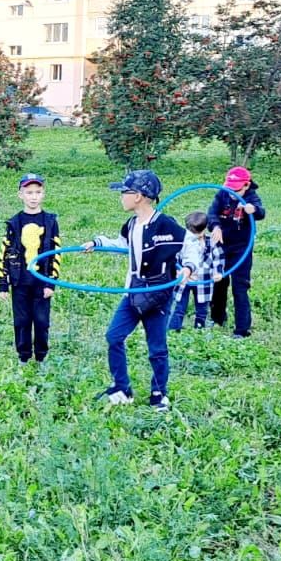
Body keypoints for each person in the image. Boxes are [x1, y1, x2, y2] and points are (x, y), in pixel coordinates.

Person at [82, 170, 193, 412]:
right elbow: (123, 244)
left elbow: (189, 247)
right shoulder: (132, 224)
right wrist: (98, 243)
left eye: (125, 192)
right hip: (133, 292)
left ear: (139, 196)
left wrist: (188, 267)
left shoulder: (166, 225)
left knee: (157, 347)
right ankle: (122, 388)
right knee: (114, 336)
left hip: (158, 294)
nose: (121, 196)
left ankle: (159, 393)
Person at [0, 173, 60, 364]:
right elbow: (4, 253)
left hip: (42, 283)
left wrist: (52, 282)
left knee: (41, 322)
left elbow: (56, 253)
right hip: (20, 282)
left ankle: (41, 357)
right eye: (29, 192)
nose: (33, 196)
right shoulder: (14, 223)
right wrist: (2, 284)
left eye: (38, 192)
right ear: (20, 195)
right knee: (22, 322)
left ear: (43, 194)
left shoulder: (50, 221)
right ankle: (23, 357)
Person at [208, 166, 265, 338]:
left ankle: (242, 329)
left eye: (237, 189)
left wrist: (252, 210)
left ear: (246, 185)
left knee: (240, 287)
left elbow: (261, 212)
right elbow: (212, 213)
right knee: (219, 283)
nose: (232, 192)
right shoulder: (222, 194)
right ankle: (217, 318)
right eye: (230, 188)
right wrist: (215, 226)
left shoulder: (251, 197)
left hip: (242, 248)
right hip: (222, 247)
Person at [169, 211, 225, 332]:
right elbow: (175, 258)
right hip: (184, 280)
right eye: (191, 233)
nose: (194, 236)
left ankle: (199, 330)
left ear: (205, 229)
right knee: (179, 306)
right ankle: (173, 329)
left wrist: (218, 272)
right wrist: (178, 271)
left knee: (202, 308)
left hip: (203, 280)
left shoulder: (212, 243)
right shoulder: (182, 242)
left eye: (197, 233)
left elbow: (218, 258)